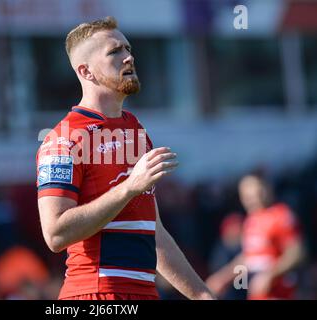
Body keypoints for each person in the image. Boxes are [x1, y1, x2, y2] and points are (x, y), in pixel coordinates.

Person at [35, 16, 215, 300]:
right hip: (95, 295)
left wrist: (203, 295)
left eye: (128, 49)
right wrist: (130, 186)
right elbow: (55, 234)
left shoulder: (135, 130)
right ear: (87, 71)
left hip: (143, 293)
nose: (128, 57)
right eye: (114, 52)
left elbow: (154, 233)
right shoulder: (64, 138)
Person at [206, 174, 306, 300]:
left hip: (280, 292)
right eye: (248, 196)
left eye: (257, 193)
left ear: (267, 190)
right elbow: (249, 257)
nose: (253, 199)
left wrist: (270, 275)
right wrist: (223, 277)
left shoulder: (281, 215)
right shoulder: (250, 221)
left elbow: (297, 253)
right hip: (258, 294)